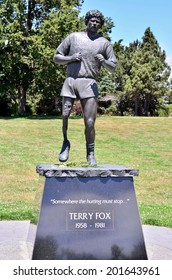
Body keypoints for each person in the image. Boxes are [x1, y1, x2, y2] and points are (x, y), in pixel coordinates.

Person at [53, 10, 117, 165]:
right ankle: (65, 143)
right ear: (87, 21)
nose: (94, 23)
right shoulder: (74, 37)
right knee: (65, 115)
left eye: (98, 22)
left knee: (89, 122)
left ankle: (90, 153)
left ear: (100, 25)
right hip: (71, 81)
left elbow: (113, 66)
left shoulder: (103, 43)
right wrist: (70, 58)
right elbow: (56, 57)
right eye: (92, 20)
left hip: (89, 83)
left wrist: (104, 61)